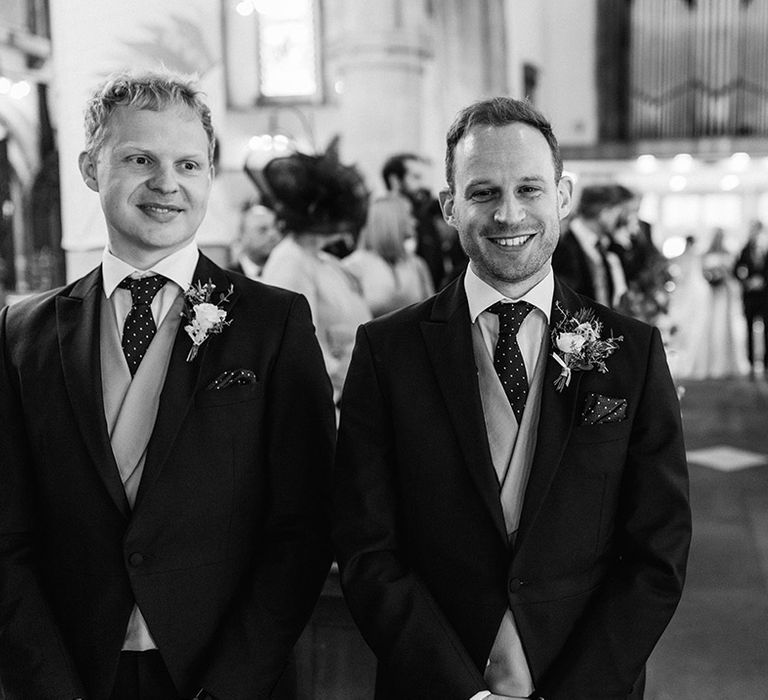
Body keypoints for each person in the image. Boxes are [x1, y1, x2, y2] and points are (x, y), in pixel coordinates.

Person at [333, 97, 691, 700]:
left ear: (564, 196)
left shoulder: (632, 351)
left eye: (529, 188)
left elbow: (659, 548)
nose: (508, 213)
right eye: (482, 193)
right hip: (434, 681)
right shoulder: (385, 351)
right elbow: (366, 546)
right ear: (449, 206)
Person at [0, 70, 335, 699]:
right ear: (91, 168)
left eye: (189, 163)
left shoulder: (272, 323)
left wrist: (231, 686)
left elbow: (304, 524)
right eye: (139, 159)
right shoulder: (22, 333)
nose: (167, 183)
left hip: (225, 675)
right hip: (74, 673)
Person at [257, 139, 373, 405]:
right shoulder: (291, 261)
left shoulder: (325, 260)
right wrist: (340, 375)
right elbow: (295, 342)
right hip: (323, 399)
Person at [343, 194, 434, 317]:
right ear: (392, 221)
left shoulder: (417, 264)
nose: (415, 222)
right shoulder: (353, 266)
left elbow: (432, 312)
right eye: (409, 215)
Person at [682, 227, 749, 379]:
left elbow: (733, 273)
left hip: (724, 294)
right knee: (709, 326)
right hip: (712, 294)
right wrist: (711, 277)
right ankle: (707, 364)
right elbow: (702, 272)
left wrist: (722, 276)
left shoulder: (729, 253)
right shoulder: (705, 254)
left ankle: (725, 364)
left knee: (723, 326)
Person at [552, 183, 628, 309]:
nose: (618, 220)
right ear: (604, 212)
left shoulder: (600, 244)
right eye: (616, 213)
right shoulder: (563, 244)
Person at [382, 152, 445, 289]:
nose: (424, 186)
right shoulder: (377, 224)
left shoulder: (426, 218)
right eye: (416, 177)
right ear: (395, 181)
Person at [734, 220, 768, 377]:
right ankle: (751, 363)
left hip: (765, 296)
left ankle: (766, 363)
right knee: (749, 330)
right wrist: (747, 282)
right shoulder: (744, 250)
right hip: (750, 297)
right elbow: (737, 270)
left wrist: (763, 281)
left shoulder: (765, 250)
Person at [228, 200, 281, 279]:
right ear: (242, 236)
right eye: (263, 229)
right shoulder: (228, 279)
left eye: (276, 227)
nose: (273, 235)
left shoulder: (290, 271)